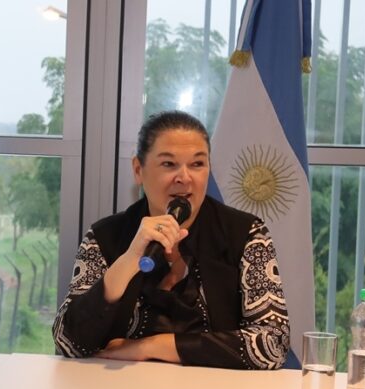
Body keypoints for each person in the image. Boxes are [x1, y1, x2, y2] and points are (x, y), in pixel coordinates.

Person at [53, 110, 289, 369]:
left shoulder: (246, 233)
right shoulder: (104, 235)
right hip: (122, 388)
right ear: (138, 170)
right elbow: (68, 342)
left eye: (197, 164)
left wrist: (151, 347)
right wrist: (128, 262)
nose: (184, 178)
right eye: (169, 164)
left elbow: (273, 344)